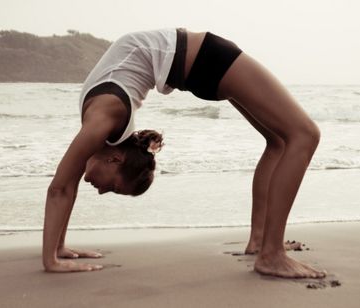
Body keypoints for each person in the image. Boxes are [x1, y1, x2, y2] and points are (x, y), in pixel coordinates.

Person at [42, 27, 326, 279]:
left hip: (206, 58)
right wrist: (57, 248)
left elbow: (61, 188)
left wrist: (51, 260)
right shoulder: (102, 129)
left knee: (296, 137)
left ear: (116, 158)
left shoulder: (103, 119)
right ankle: (266, 247)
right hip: (198, 65)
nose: (102, 192)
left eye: (113, 187)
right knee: (291, 137)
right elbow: (66, 185)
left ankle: (267, 248)